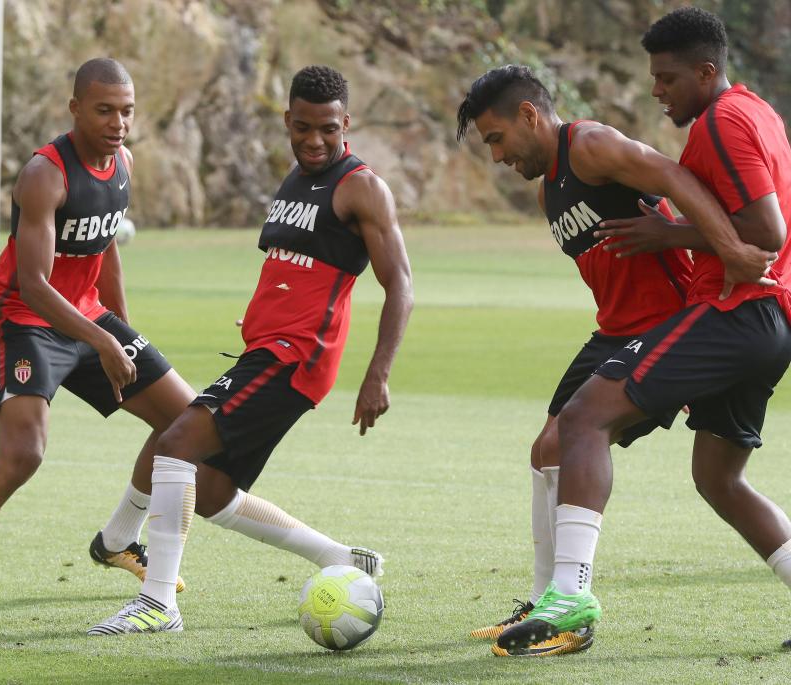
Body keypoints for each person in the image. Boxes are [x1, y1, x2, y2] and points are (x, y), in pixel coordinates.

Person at [0, 59, 394, 617]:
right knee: (24, 454)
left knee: (181, 427)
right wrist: (104, 342)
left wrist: (122, 333)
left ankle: (116, 541)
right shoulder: (45, 174)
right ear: (76, 107)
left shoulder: (123, 163)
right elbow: (32, 285)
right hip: (27, 320)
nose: (117, 122)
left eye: (126, 111)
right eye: (104, 110)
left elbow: (104, 244)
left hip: (89, 316)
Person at [498, 7, 791, 653]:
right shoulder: (759, 112)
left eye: (666, 78)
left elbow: (766, 235)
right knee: (719, 479)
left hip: (734, 310)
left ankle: (569, 595)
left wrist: (672, 233)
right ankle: (554, 597)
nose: (656, 90)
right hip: (760, 320)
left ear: (706, 72)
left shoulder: (722, 122)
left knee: (581, 421)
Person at [87, 64, 413, 636]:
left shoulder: (361, 186)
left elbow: (400, 285)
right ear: (287, 120)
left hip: (296, 357)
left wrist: (378, 374)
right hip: (268, 347)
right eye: (303, 127)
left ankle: (158, 603)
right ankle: (336, 556)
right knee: (211, 494)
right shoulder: (296, 178)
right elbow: (295, 267)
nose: (315, 141)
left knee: (177, 441)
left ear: (347, 125)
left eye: (328, 130)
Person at [455, 64, 699, 656]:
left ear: (529, 116)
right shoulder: (549, 189)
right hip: (615, 332)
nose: (496, 156)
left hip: (670, 326)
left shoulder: (591, 146)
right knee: (544, 451)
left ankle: (573, 608)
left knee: (718, 473)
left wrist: (699, 239)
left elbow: (673, 176)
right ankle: (547, 605)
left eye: (496, 138)